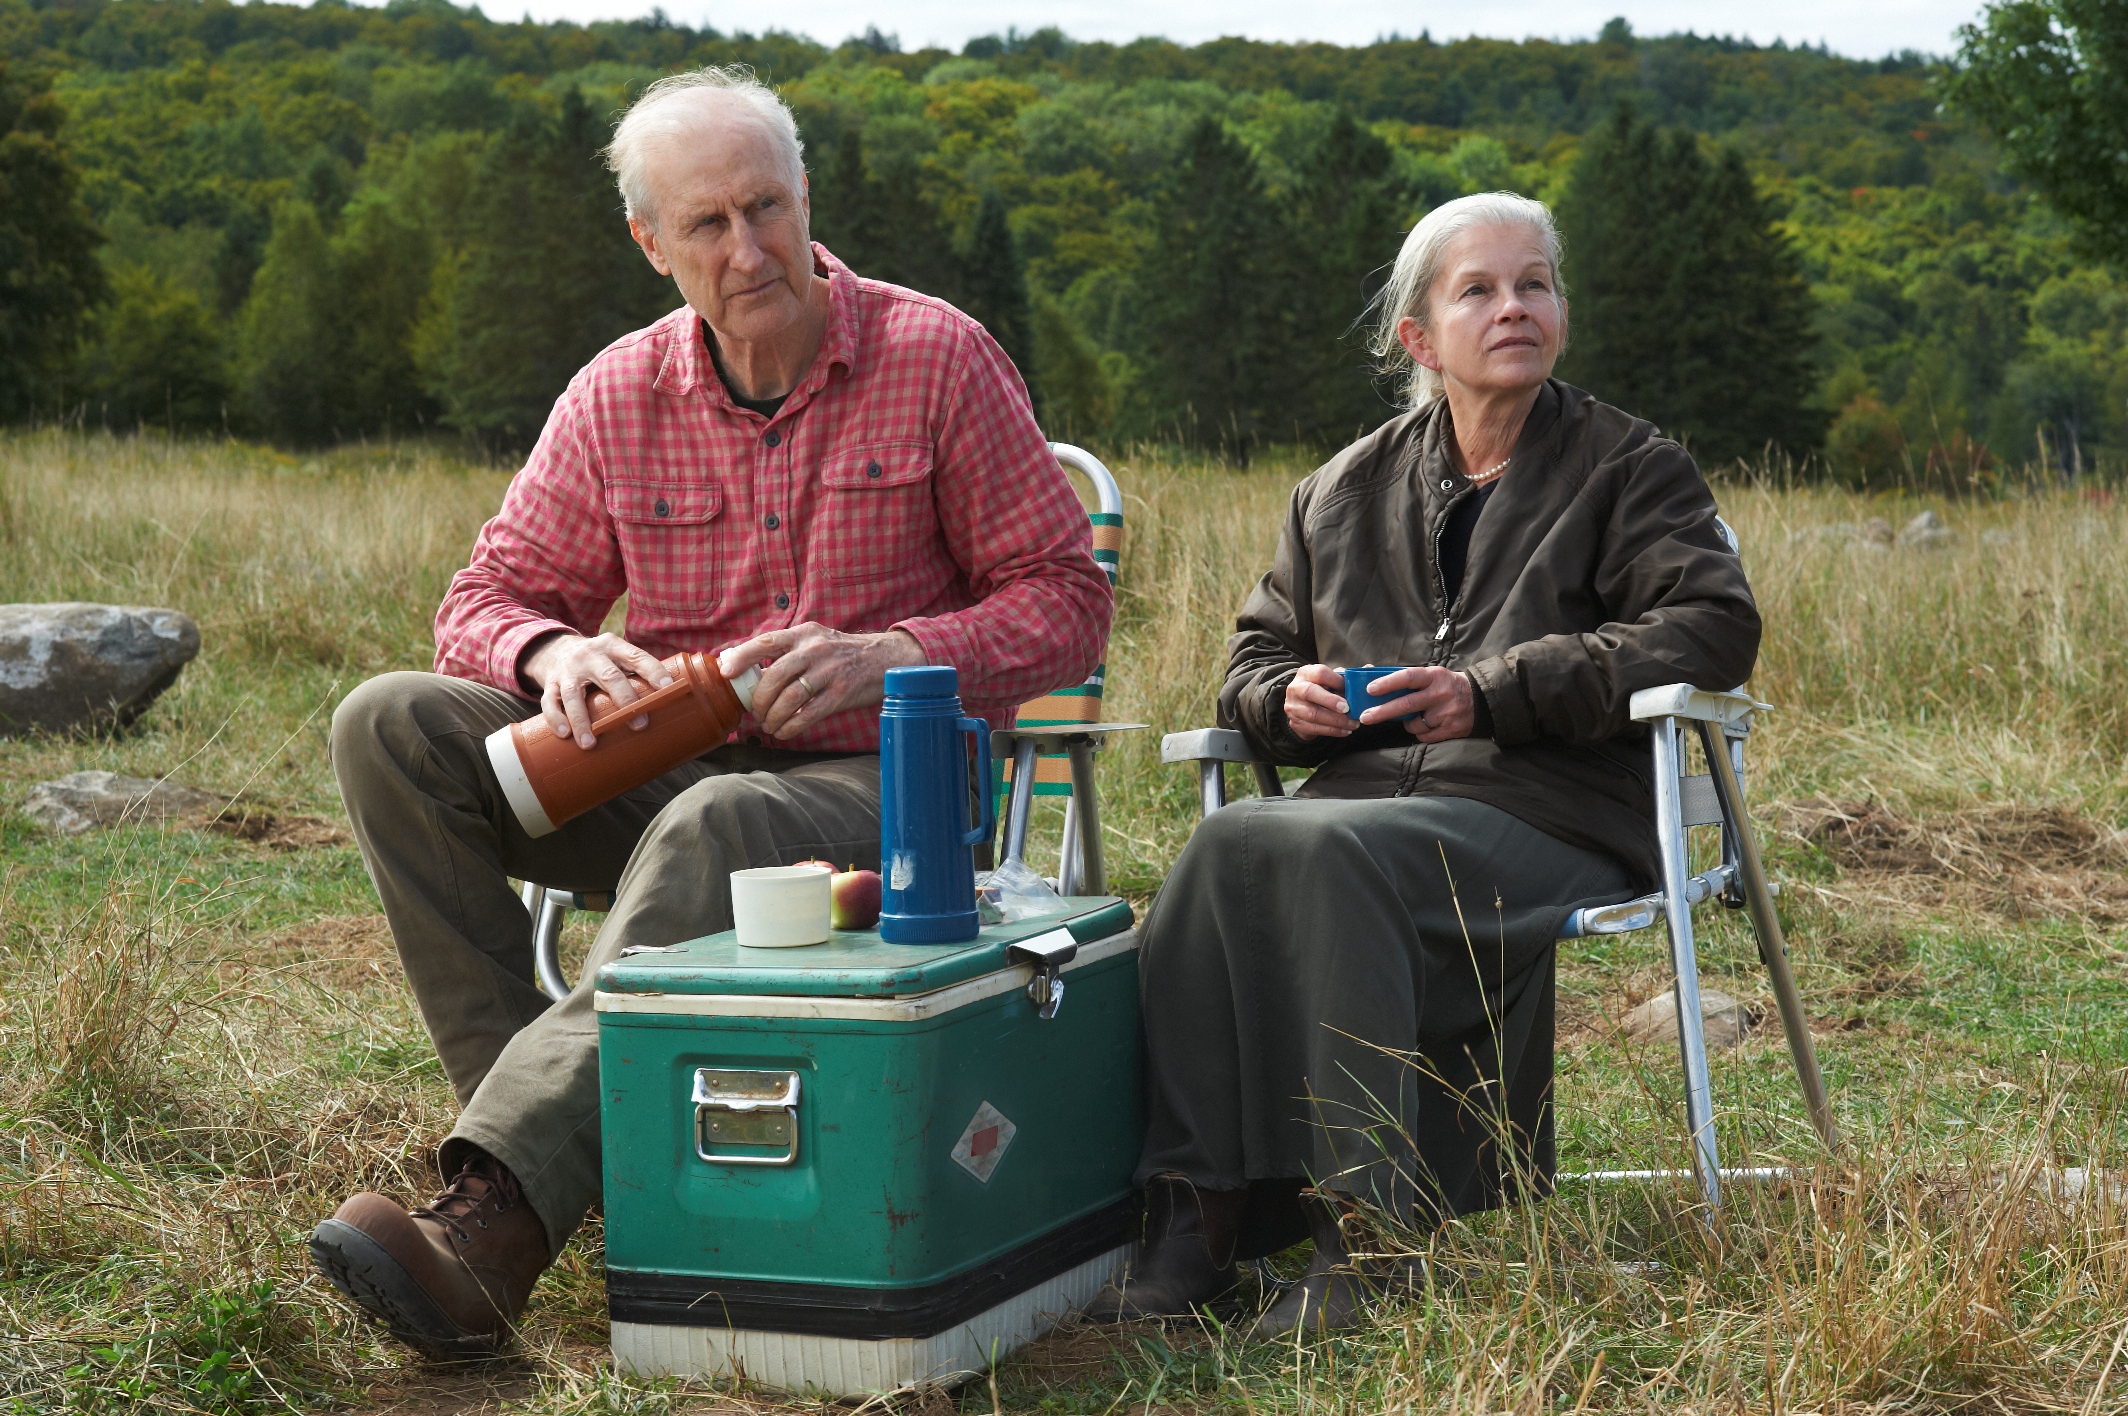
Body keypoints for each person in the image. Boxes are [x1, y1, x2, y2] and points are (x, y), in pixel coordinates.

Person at [307, 67, 1111, 1357]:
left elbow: (1067, 602)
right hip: (660, 781)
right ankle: (570, 1144)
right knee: (387, 726)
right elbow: (485, 594)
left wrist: (894, 652)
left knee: (725, 817)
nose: (749, 250)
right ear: (650, 244)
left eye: (767, 207)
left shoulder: (937, 355)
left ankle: (500, 1215)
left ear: (806, 198)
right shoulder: (618, 393)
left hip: (889, 807)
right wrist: (552, 647)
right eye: (707, 225)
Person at [1083, 191, 1759, 1335]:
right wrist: (1280, 700)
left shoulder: (1627, 465)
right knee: (1224, 841)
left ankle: (1368, 1237)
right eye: (1479, 290)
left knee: (1331, 850)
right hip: (1364, 799)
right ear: (1418, 338)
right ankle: (1199, 1209)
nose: (1514, 308)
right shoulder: (1340, 489)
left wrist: (1494, 689)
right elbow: (1254, 658)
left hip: (1551, 809)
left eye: (1534, 284)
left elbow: (1708, 626)